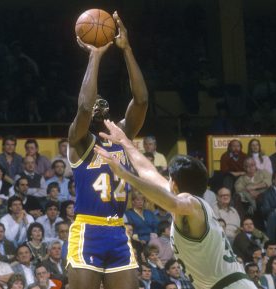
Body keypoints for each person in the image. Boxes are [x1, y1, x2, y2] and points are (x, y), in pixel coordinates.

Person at [94, 120, 257, 289]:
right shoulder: (189, 202)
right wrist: (124, 142)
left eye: (169, 179)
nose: (166, 181)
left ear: (175, 184)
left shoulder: (191, 203)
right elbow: (149, 173)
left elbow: (174, 203)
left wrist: (124, 174)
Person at [67, 11, 148, 289]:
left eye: (103, 102)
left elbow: (141, 100)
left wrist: (126, 49)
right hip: (88, 228)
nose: (98, 104)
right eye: (96, 101)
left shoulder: (122, 134)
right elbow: (84, 107)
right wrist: (96, 55)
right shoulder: (79, 139)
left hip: (117, 229)